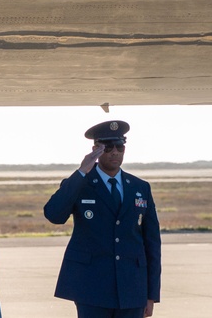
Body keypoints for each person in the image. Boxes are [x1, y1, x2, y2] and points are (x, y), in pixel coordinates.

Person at [43, 120, 161, 318]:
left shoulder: (140, 187)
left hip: (132, 288)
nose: (115, 152)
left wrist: (151, 294)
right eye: (108, 147)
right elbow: (54, 215)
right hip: (92, 287)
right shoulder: (81, 183)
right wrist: (81, 172)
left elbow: (152, 244)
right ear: (96, 149)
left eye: (119, 146)